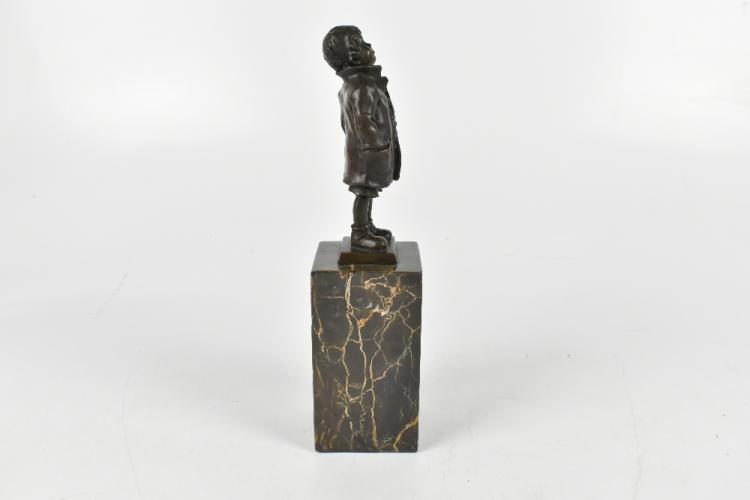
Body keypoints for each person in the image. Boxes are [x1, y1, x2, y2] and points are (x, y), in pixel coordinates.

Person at [322, 26, 401, 251]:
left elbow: (344, 123)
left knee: (368, 192)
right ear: (353, 57)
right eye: (362, 44)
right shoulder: (363, 86)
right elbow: (363, 122)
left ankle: (367, 226)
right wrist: (379, 145)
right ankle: (359, 232)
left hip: (361, 151)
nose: (369, 46)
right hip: (368, 153)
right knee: (364, 192)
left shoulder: (351, 85)